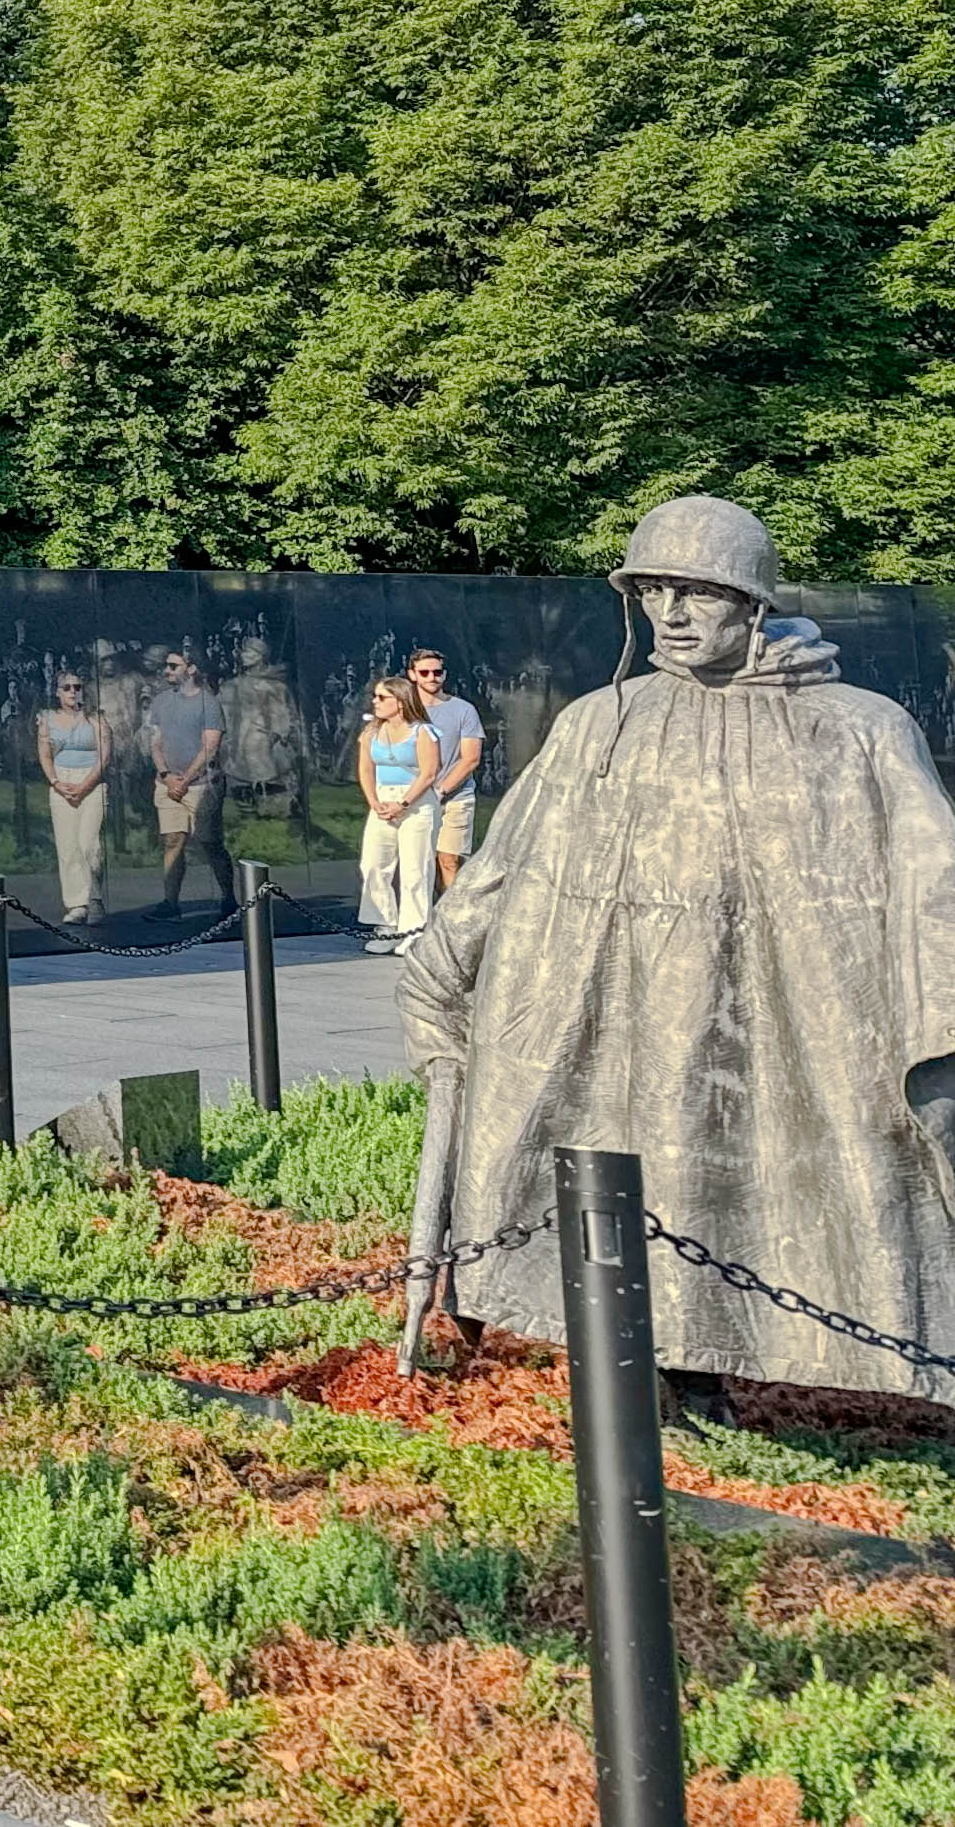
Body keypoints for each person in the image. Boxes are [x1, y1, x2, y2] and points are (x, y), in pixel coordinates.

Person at [402, 495, 955, 1407]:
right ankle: (663, 1380)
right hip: (628, 1024)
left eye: (700, 591)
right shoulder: (601, 723)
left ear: (753, 603)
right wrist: (443, 962)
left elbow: (932, 890)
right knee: (645, 1187)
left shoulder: (857, 730)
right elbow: (512, 861)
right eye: (654, 589)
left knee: (760, 1194)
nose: (673, 612)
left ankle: (773, 1366)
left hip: (783, 1035)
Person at [352, 676, 442, 952]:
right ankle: (385, 924)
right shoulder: (370, 733)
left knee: (416, 868)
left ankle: (414, 928)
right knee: (373, 864)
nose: (375, 702)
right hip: (382, 799)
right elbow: (366, 770)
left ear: (400, 702)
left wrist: (402, 804)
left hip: (415, 801)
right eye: (375, 697)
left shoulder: (423, 732)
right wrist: (375, 802)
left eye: (382, 698)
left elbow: (429, 772)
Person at [144, 648, 228, 918]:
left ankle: (229, 897)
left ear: (191, 669)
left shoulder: (209, 703)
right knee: (173, 841)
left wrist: (187, 778)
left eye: (173, 666)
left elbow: (210, 746)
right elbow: (154, 741)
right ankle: (170, 903)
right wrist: (167, 776)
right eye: (167, 666)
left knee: (210, 842)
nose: (167, 671)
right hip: (168, 784)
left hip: (202, 785)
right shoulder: (160, 702)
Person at [407, 649, 486, 892]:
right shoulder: (403, 711)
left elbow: (471, 758)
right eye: (424, 672)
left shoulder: (463, 710)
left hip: (455, 798)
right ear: (412, 675)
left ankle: (453, 920)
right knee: (415, 864)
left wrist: (440, 791)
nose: (432, 677)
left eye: (437, 672)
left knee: (449, 860)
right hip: (411, 798)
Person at [35, 668, 109, 924]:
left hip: (91, 780)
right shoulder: (48, 720)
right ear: (58, 693)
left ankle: (95, 899)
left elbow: (104, 756)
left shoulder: (96, 719)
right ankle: (77, 904)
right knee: (68, 846)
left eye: (77, 687)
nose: (72, 692)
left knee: (89, 844)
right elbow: (44, 753)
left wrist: (86, 783)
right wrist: (55, 781)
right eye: (67, 688)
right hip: (61, 780)